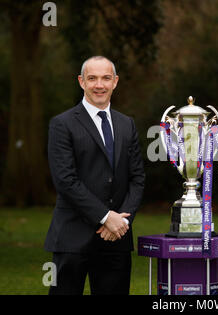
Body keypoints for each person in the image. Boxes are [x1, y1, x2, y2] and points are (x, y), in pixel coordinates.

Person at [44, 56, 145, 295]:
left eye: (105, 78)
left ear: (115, 82)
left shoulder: (126, 124)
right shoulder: (62, 124)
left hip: (116, 239)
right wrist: (104, 217)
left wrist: (121, 222)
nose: (99, 85)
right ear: (81, 82)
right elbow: (65, 181)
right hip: (72, 238)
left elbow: (137, 178)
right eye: (92, 78)